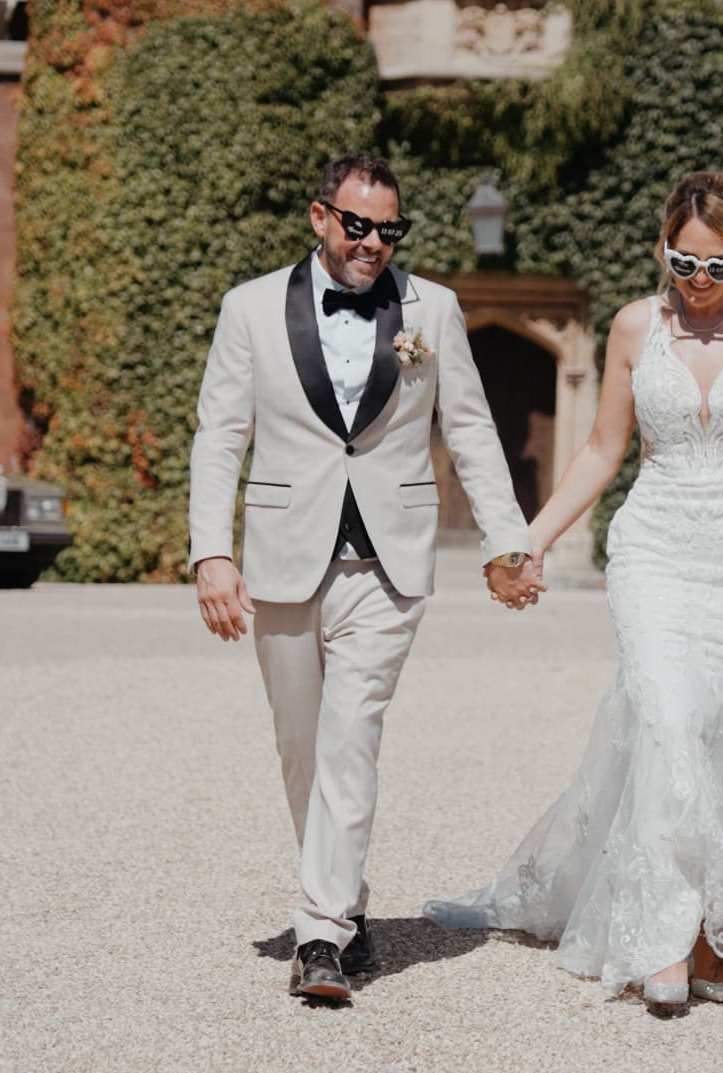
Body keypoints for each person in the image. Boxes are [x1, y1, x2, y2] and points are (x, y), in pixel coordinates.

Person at [427, 171, 723, 1013]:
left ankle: (713, 935)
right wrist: (527, 542)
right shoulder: (633, 326)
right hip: (656, 549)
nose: (700, 282)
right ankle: (662, 938)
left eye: (718, 266)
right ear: (664, 248)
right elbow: (600, 450)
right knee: (668, 720)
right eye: (683, 263)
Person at [189, 153, 544, 1003]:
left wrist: (507, 541)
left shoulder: (435, 309)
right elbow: (220, 434)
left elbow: (470, 428)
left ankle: (318, 934)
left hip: (388, 565)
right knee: (301, 749)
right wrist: (211, 552)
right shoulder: (248, 308)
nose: (373, 243)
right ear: (320, 217)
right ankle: (346, 902)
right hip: (282, 558)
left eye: (390, 230)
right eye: (357, 225)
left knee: (351, 740)